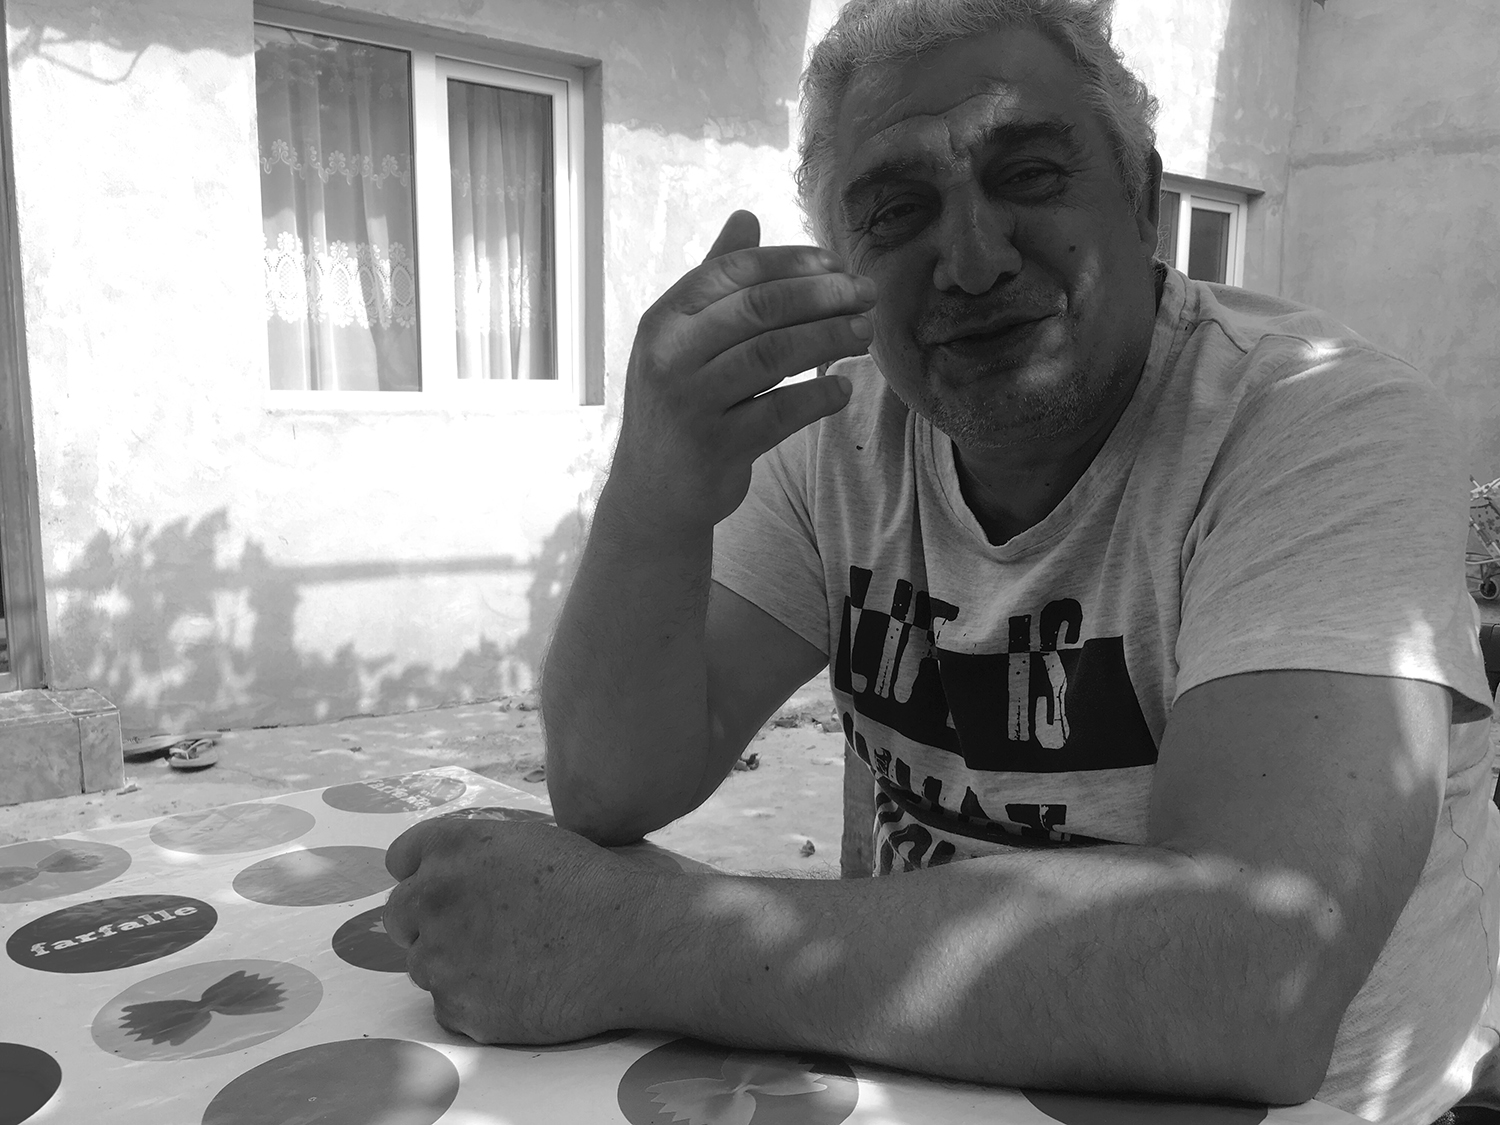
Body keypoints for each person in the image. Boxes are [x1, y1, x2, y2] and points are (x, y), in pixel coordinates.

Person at [380, 1, 1500, 1120]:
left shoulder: (1318, 421)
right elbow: (614, 780)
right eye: (898, 211)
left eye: (1029, 174)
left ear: (1144, 201)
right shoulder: (843, 423)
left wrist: (635, 940)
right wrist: (655, 489)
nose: (969, 260)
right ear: (844, 262)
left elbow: (1257, 979)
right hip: (922, 1067)